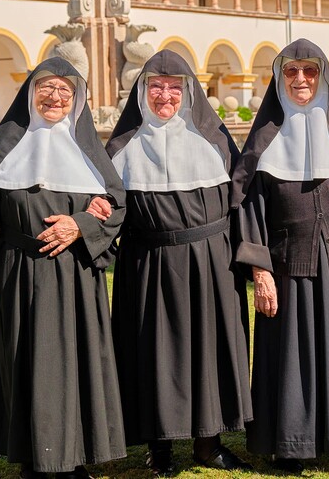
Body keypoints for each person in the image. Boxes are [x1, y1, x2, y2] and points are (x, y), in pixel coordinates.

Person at [0, 57, 127, 479]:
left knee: (76, 360)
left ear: (76, 100)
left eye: (65, 91)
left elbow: (118, 207)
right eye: (46, 88)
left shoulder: (88, 153)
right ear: (30, 95)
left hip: (74, 274)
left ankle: (76, 455)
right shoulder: (5, 149)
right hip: (18, 271)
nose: (55, 97)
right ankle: (32, 457)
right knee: (23, 360)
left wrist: (80, 224)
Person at [230, 38, 329, 474]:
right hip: (288, 265)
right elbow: (247, 207)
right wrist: (260, 270)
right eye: (291, 71)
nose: (301, 79)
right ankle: (292, 445)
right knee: (292, 356)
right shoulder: (264, 137)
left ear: (323, 77)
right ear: (280, 78)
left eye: (310, 71)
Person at [106, 50, 253, 474]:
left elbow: (243, 204)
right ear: (142, 92)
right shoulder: (122, 146)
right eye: (156, 87)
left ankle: (209, 442)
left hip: (211, 263)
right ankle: (160, 447)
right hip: (148, 263)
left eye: (174, 87)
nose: (165, 95)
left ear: (189, 92)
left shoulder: (216, 141)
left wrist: (250, 261)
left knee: (210, 351)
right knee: (155, 355)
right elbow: (104, 208)